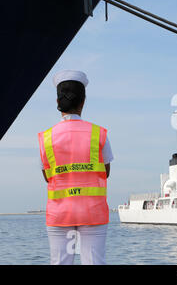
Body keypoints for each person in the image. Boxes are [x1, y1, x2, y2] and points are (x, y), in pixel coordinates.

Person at [38, 70, 113, 265]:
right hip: (93, 212)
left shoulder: (46, 138)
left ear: (58, 102)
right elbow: (105, 173)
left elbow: (48, 176)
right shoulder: (99, 133)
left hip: (59, 212)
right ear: (83, 101)